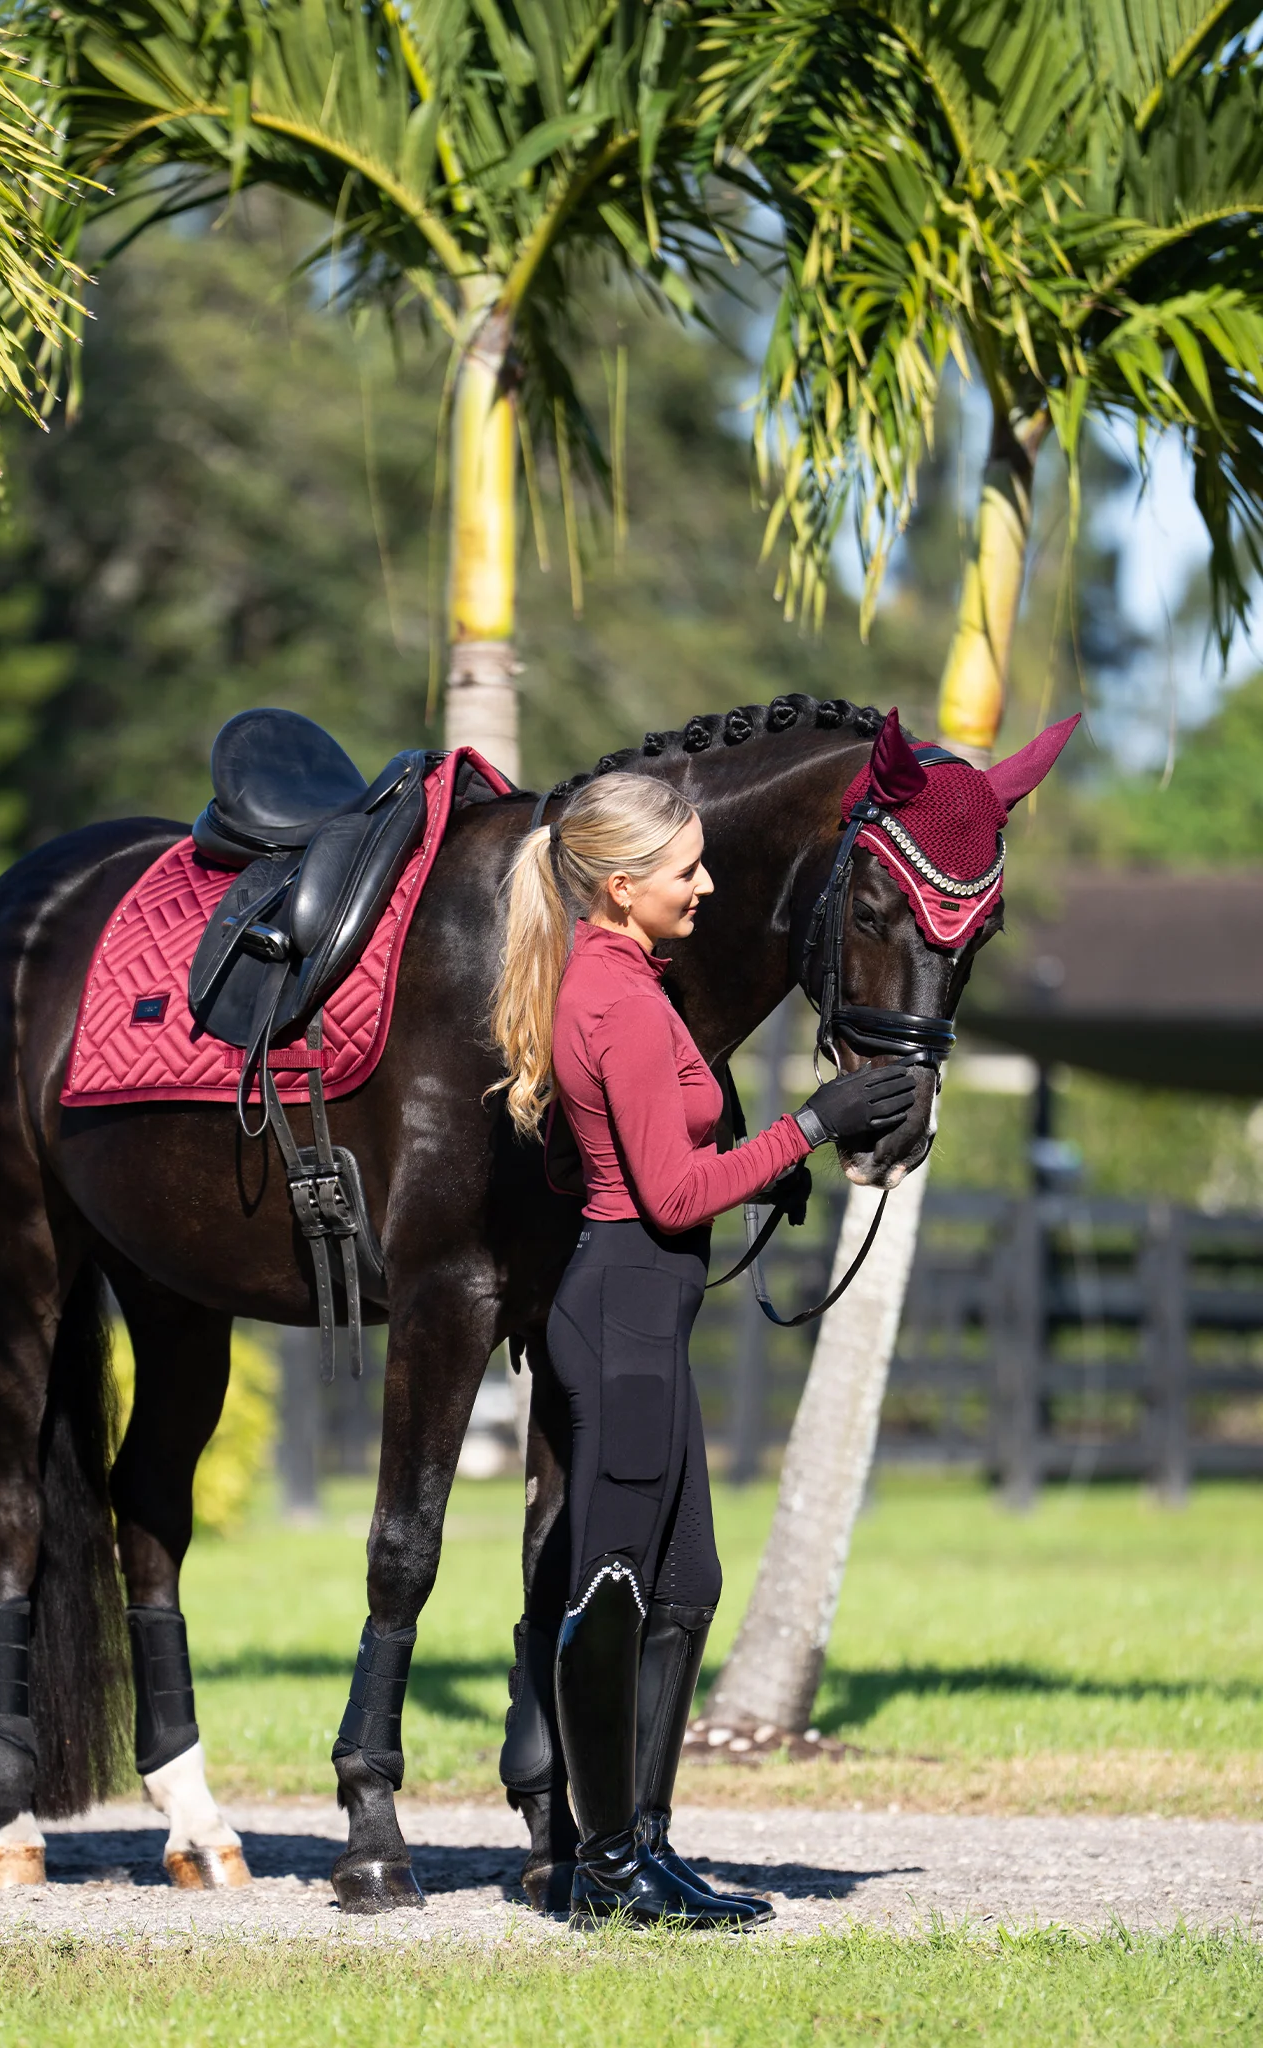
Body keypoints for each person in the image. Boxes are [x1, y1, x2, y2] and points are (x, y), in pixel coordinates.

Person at [491, 772, 916, 1928]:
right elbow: (672, 1196)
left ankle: (648, 1846)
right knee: (614, 1586)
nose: (708, 883)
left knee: (685, 1584)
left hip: (642, 1309)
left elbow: (644, 1160)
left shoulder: (633, 978)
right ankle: (606, 1870)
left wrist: (770, 1160)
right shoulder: (616, 999)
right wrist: (816, 1124)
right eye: (687, 869)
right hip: (624, 1304)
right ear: (623, 887)